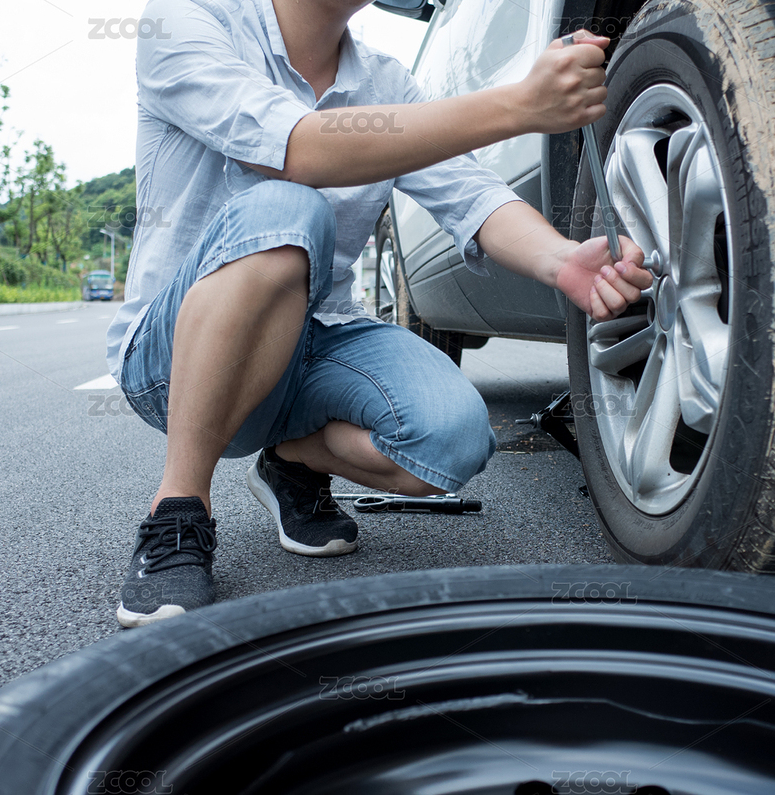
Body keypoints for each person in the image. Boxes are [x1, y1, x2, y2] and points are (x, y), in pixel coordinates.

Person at [106, 0, 650, 627]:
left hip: (313, 339)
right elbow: (294, 149)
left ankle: (292, 462)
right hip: (173, 358)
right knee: (288, 207)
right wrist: (518, 106)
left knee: (453, 438)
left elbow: (470, 193)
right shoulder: (186, 20)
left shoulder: (384, 80)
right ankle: (178, 507)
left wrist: (562, 261)